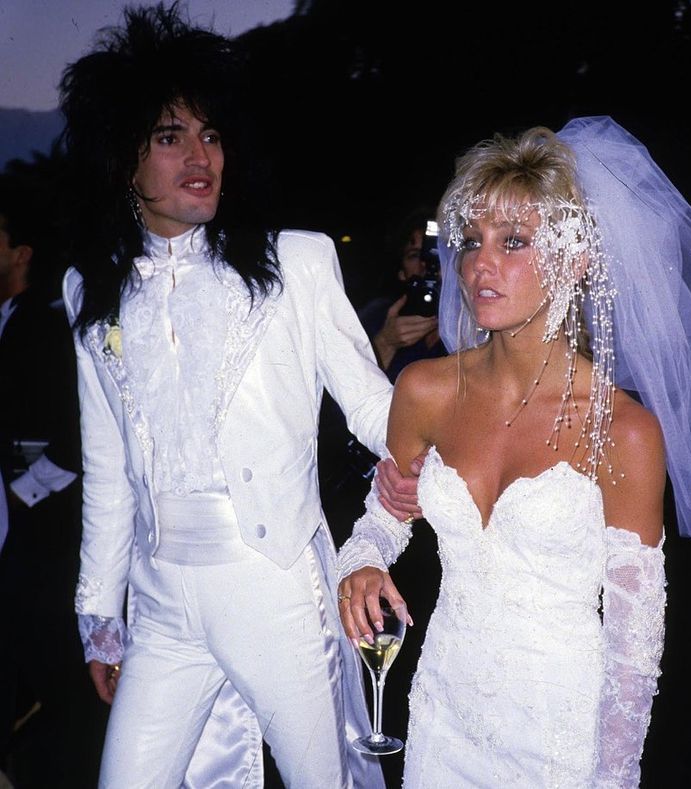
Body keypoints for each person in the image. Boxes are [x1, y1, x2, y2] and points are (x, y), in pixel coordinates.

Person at [57, 3, 417, 787]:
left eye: (211, 134)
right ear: (124, 161)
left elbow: (377, 410)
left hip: (274, 585)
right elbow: (108, 469)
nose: (199, 154)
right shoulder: (92, 290)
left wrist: (437, 455)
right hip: (160, 607)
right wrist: (99, 618)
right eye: (169, 135)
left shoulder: (296, 265)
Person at [337, 116, 691, 787]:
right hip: (442, 714)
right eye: (471, 240)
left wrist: (613, 778)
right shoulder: (425, 389)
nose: (479, 263)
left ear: (575, 261)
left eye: (513, 242)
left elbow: (635, 652)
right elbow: (384, 514)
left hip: (562, 735)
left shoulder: (624, 430)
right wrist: (363, 560)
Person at [0, 174, 105, 787]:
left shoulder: (45, 325)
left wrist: (20, 494)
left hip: (44, 540)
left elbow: (75, 434)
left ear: (22, 253)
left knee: (59, 683)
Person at [358, 206, 446, 382]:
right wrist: (385, 342)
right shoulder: (377, 315)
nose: (426, 265)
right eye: (414, 256)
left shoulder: (472, 321)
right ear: (401, 272)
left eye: (436, 254)